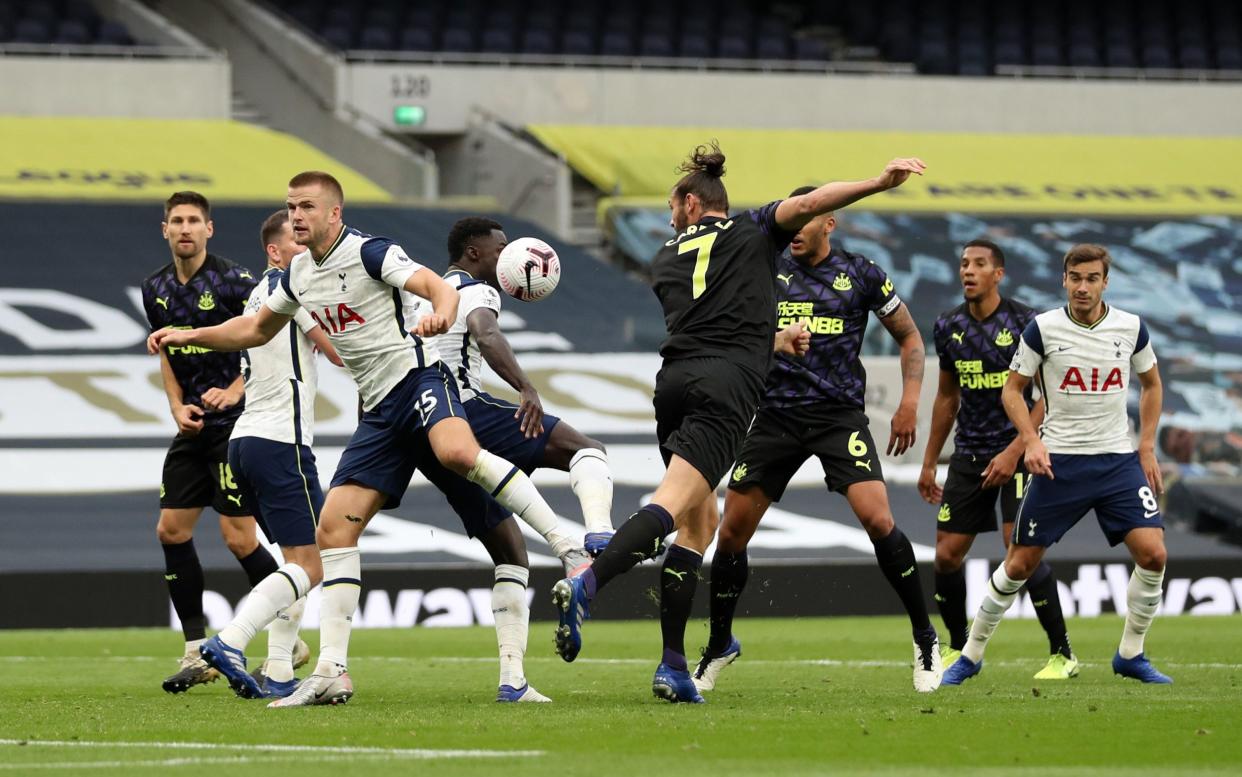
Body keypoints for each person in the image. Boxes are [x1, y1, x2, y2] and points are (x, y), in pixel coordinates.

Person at [149, 171, 581, 707]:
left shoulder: (371, 252)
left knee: (458, 452)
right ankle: (331, 671)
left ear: (334, 213)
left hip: (418, 381)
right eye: (291, 206)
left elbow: (436, 287)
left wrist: (444, 312)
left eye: (306, 206)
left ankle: (569, 549)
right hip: (378, 412)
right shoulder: (298, 275)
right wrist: (190, 334)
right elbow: (253, 330)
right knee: (332, 532)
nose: (297, 215)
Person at [550, 142, 927, 703]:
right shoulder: (752, 232)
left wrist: (772, 338)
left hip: (672, 386)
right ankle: (590, 580)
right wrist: (877, 182)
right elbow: (813, 202)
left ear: (693, 205)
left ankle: (674, 666)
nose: (668, 217)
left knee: (695, 529)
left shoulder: (665, 257)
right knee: (670, 506)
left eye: (673, 206)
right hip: (725, 394)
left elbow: (717, 322)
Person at [696, 186, 941, 695]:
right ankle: (719, 643)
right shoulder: (767, 271)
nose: (795, 230)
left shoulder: (862, 273)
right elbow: (733, 333)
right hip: (775, 417)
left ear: (827, 222)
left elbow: (910, 337)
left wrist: (910, 401)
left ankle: (925, 638)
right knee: (732, 533)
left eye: (806, 220)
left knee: (878, 519)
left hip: (837, 417)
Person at [943, 244, 1171, 686]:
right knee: (1019, 565)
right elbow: (1013, 391)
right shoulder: (1042, 329)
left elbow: (1152, 384)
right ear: (1063, 279)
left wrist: (1145, 446)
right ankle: (970, 656)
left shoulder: (1131, 328)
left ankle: (1130, 653)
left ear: (1106, 282)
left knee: (1154, 553)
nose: (1082, 286)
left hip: (1115, 462)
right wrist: (1030, 441)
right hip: (1058, 463)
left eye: (1091, 279)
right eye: (1075, 277)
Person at [196, 210, 343, 699]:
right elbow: (339, 350)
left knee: (294, 563)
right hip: (281, 441)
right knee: (314, 565)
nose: (307, 254)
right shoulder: (293, 287)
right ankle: (231, 640)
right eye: (296, 245)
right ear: (274, 253)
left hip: (247, 441)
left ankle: (279, 669)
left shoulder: (261, 295)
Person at [141, 191, 281, 694]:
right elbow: (165, 353)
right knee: (171, 531)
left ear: (209, 229)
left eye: (193, 221)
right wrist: (177, 407)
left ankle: (288, 629)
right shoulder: (154, 287)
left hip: (237, 427)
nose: (184, 228)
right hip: (192, 428)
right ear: (165, 230)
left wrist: (236, 389)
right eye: (176, 220)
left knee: (239, 540)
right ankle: (194, 646)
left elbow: (265, 340)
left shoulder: (235, 281)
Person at [918, 239, 1076, 680]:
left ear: (998, 274)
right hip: (969, 454)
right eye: (964, 263)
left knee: (1018, 551)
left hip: (1020, 453)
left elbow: (1047, 397)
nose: (968, 271)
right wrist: (931, 461)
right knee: (947, 556)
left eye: (979, 264)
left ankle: (1062, 653)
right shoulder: (948, 325)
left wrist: (1017, 449)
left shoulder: (1027, 323)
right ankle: (957, 648)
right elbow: (947, 396)